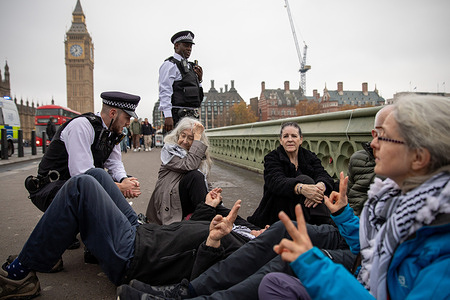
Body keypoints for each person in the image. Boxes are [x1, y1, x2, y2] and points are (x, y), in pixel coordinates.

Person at [267, 95, 450, 300]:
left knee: (278, 272)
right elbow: (370, 244)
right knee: (273, 281)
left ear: (418, 157)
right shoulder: (396, 199)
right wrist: (344, 215)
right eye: (375, 134)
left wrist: (314, 265)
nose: (373, 144)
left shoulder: (442, 253)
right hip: (358, 268)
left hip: (359, 279)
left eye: (383, 136)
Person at [0, 168, 275, 299]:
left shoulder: (248, 255)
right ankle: (49, 247)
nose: (264, 229)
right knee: (97, 175)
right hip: (146, 232)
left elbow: (203, 283)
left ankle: (23, 272)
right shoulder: (245, 229)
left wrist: (213, 244)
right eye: (267, 227)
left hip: (137, 254)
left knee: (81, 187)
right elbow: (196, 225)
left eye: (270, 234)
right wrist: (208, 207)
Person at [25, 91, 142, 213]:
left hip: (75, 185)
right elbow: (81, 174)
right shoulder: (81, 126)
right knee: (108, 186)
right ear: (113, 113)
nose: (128, 123)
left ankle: (121, 221)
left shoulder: (111, 132)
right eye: (127, 117)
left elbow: (115, 164)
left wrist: (124, 180)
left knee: (122, 180)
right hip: (52, 189)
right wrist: (120, 188)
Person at [248, 122, 335, 227]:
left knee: (336, 185)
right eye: (285, 136)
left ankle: (321, 224)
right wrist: (301, 188)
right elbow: (275, 182)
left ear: (301, 139)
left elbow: (324, 175)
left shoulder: (309, 156)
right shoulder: (272, 158)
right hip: (278, 208)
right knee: (304, 179)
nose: (290, 139)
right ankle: (327, 224)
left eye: (294, 136)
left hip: (306, 208)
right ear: (281, 140)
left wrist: (319, 186)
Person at [145, 117, 212, 225]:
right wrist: (197, 138)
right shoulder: (170, 151)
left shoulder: (199, 154)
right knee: (196, 176)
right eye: (183, 136)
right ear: (177, 135)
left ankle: (246, 228)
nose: (185, 141)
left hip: (182, 200)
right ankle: (205, 221)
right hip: (169, 204)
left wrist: (213, 196)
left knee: (219, 209)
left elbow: (204, 185)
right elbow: (189, 165)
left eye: (190, 138)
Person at [347, 105, 393, 216]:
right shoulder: (357, 159)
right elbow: (347, 198)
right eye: (377, 135)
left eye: (385, 135)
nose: (373, 143)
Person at [159, 30, 204, 132]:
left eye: (190, 46)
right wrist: (168, 116)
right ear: (176, 46)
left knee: (192, 147)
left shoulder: (191, 67)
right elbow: (165, 91)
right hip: (177, 116)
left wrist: (200, 80)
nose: (189, 49)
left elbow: (198, 96)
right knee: (176, 146)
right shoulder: (170, 65)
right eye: (186, 45)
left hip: (192, 116)